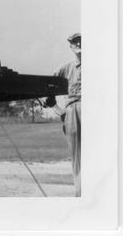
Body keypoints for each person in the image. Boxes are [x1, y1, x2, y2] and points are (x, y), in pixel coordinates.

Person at [43, 33, 81, 196]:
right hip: (74, 111)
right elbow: (47, 94)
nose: (79, 44)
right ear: (71, 46)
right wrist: (62, 112)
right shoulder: (65, 68)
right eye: (75, 42)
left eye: (82, 41)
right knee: (78, 156)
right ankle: (81, 193)